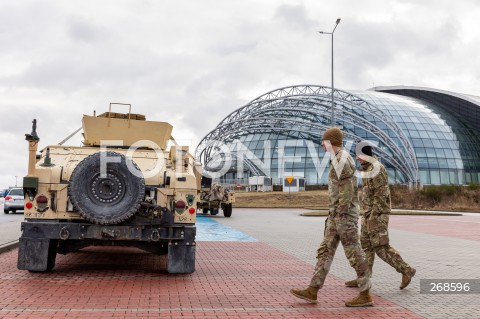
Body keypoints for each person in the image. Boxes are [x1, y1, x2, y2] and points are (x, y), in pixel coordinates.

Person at [290, 127, 373, 307]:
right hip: (336, 215)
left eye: (324, 141)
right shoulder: (337, 158)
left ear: (331, 141)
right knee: (325, 251)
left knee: (354, 253)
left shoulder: (342, 159)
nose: (321, 144)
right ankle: (313, 289)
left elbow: (347, 191)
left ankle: (365, 294)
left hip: (344, 216)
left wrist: (341, 213)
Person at [344, 145, 415, 289]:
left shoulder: (377, 169)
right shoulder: (367, 170)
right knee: (366, 247)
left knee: (381, 247)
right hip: (368, 214)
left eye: (358, 156)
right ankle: (363, 278)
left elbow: (380, 195)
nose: (357, 158)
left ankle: (406, 270)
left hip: (377, 215)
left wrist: (373, 216)